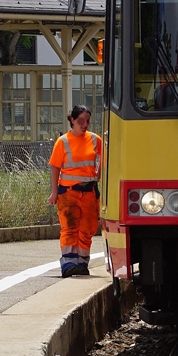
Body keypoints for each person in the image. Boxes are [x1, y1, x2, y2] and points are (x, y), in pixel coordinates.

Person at [48, 105, 103, 278]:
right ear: (72, 120)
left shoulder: (95, 140)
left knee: (87, 229)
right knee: (70, 228)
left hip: (89, 192)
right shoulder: (63, 142)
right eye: (81, 121)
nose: (85, 124)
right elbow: (55, 168)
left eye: (87, 121)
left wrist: (98, 175)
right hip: (68, 193)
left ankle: (82, 263)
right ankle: (68, 263)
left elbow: (105, 160)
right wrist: (54, 192)